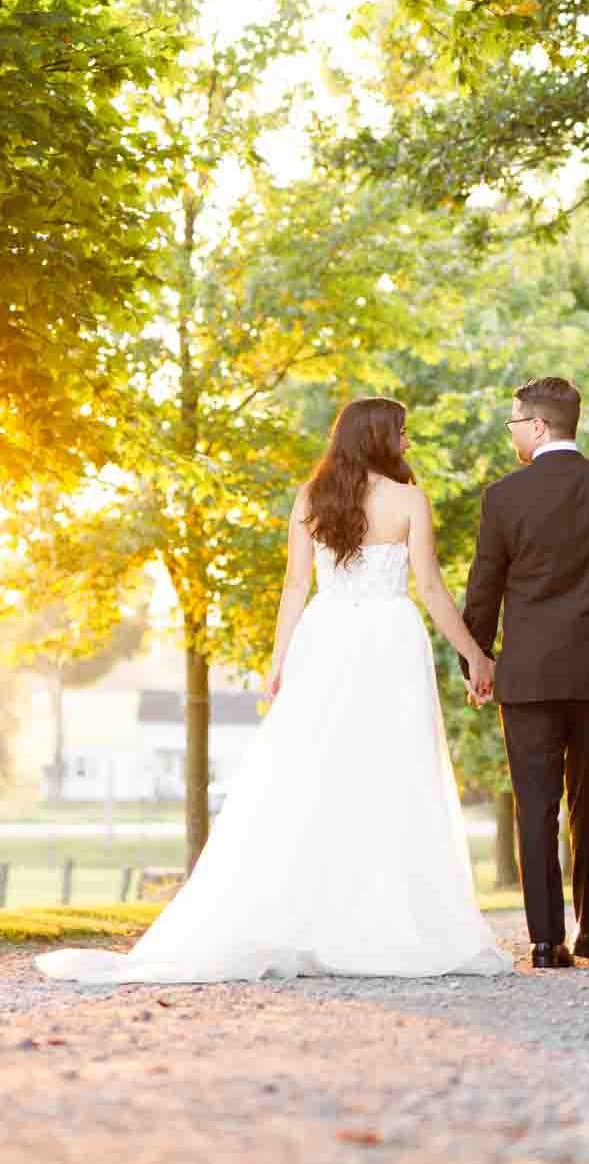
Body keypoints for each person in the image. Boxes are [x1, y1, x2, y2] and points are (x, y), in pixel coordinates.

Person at [34, 397, 508, 985]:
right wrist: (475, 655)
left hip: (326, 635)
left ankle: (321, 914)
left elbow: (295, 586)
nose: (409, 444)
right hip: (388, 636)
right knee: (389, 770)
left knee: (311, 770)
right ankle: (382, 919)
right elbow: (431, 588)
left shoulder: (312, 499)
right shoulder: (409, 500)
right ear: (381, 438)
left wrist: (278, 659)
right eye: (403, 433)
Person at [462, 375, 589, 970]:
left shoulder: (503, 498)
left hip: (529, 676)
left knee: (535, 805)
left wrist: (478, 658)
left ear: (538, 425)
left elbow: (484, 587)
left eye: (515, 423)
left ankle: (545, 941)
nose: (513, 433)